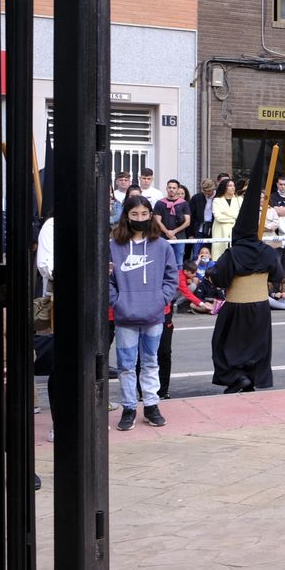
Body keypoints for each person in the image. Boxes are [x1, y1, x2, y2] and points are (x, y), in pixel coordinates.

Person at [206, 146, 285, 395]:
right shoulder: (267, 252)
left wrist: (210, 274)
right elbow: (279, 276)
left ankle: (237, 376)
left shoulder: (233, 253)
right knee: (257, 345)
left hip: (237, 308)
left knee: (224, 343)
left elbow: (218, 276)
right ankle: (250, 378)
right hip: (260, 307)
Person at [108, 196, 179, 430]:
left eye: (144, 214)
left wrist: (161, 300)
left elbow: (172, 278)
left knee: (150, 362)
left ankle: (151, 405)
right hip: (125, 316)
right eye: (134, 214)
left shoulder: (162, 246)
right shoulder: (113, 246)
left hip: (154, 315)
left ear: (150, 215)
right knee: (126, 365)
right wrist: (116, 302)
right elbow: (106, 279)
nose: (139, 218)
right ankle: (129, 407)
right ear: (126, 216)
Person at [155, 180, 191, 264]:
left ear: (178, 189)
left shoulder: (184, 203)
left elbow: (187, 222)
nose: (171, 190)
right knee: (163, 261)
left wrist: (174, 232)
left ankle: (178, 277)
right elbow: (157, 220)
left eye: (174, 188)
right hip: (163, 236)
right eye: (170, 187)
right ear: (166, 188)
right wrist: (168, 233)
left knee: (178, 262)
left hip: (179, 237)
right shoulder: (160, 203)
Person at [209, 178, 241, 261]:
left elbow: (241, 216)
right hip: (220, 231)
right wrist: (234, 218)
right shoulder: (217, 200)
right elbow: (218, 217)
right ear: (224, 188)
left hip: (235, 231)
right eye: (230, 186)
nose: (233, 187)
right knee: (220, 256)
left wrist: (225, 213)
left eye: (233, 185)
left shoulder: (239, 199)